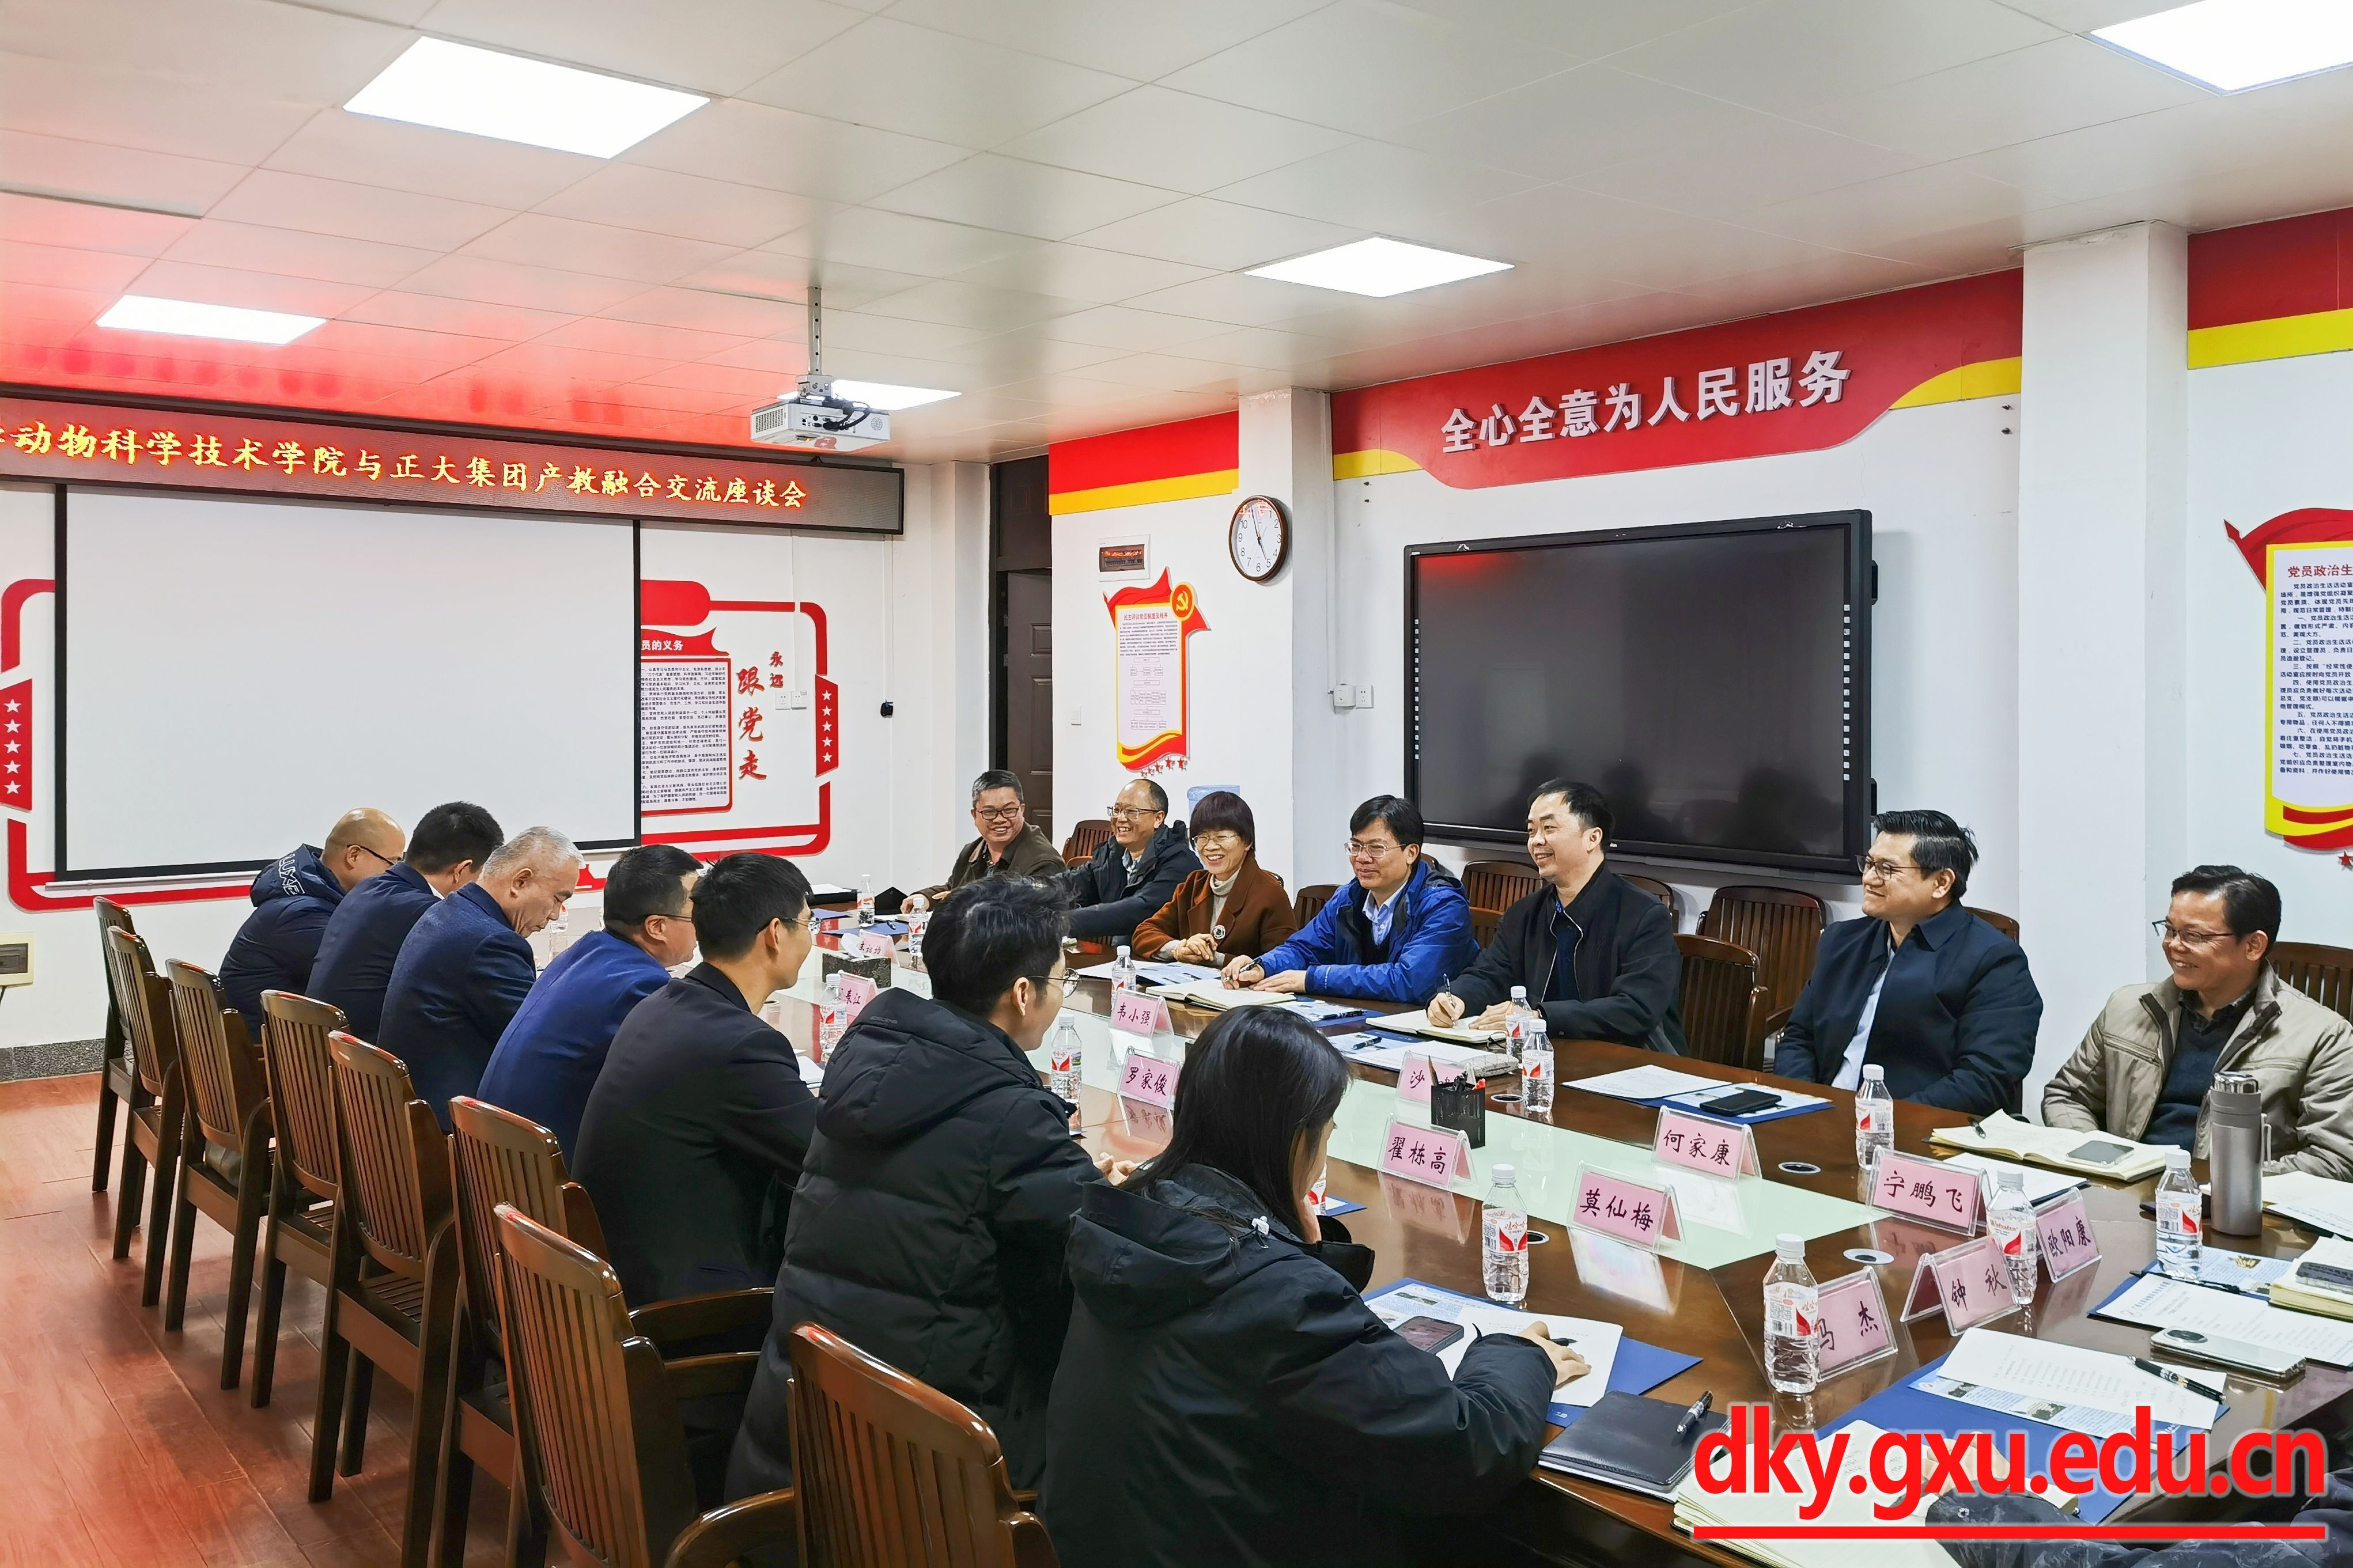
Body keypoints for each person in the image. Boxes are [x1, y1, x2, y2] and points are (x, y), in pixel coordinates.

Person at [1042, 1007, 1584, 1568]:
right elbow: (1464, 1450)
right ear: (1297, 1142)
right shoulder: (1279, 1298)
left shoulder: (1128, 1220)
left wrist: (1288, 1240)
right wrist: (1520, 1356)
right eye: (1325, 1135)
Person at [728, 877, 1115, 1499]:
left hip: (801, 1450)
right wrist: (1113, 1193)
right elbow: (1108, 1248)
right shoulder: (1010, 1116)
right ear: (1023, 994)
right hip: (920, 1486)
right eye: (1060, 980)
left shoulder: (869, 1060)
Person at [575, 852, 819, 1309]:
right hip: (685, 1308)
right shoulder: (741, 1045)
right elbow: (825, 1157)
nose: (811, 937)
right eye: (808, 923)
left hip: (621, 1274)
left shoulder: (662, 1004)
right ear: (775, 934)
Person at [2043, 866, 2353, 1179]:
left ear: (2253, 946)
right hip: (2125, 1189)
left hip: (2235, 1203)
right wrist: (2106, 1160)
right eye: (2170, 930)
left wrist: (2223, 1183)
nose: (2174, 946)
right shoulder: (2128, 1007)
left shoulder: (2324, 1036)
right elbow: (2068, 1097)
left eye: (2194, 936)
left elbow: (2334, 1159)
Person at [1772, 810, 2042, 1113]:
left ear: (1941, 883)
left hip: (1916, 1128)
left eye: (1887, 869)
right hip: (1819, 1116)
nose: (1868, 879)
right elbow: (1799, 1037)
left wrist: (1885, 1121)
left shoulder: (1994, 960)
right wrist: (1806, 1104)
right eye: (1869, 863)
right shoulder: (1842, 942)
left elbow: (1985, 1078)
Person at [476, 844, 702, 1155]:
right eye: (696, 913)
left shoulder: (586, 952)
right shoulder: (641, 985)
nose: (704, 924)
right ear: (657, 927)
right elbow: (683, 1089)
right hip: (549, 1169)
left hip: (502, 1156)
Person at [1428, 781, 1686, 1052]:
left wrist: (1540, 1017)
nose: (1536, 841)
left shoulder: (1645, 914)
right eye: (1531, 831)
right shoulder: (1525, 913)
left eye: (1549, 828)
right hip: (1545, 1055)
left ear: (1592, 838)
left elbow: (1636, 1008)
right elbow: (1489, 975)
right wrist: (1456, 998)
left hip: (1629, 1059)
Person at [377, 826, 583, 1125]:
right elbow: (539, 1043)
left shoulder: (449, 911)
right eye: (557, 898)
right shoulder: (491, 943)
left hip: (411, 1107)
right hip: (452, 1127)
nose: (555, 914)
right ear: (520, 881)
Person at [1223, 795, 1476, 1005]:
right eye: (1355, 846)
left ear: (1411, 853)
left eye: (1376, 848)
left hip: (1428, 1030)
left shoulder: (1443, 904)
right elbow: (1304, 949)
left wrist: (1313, 979)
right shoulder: (1349, 897)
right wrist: (1263, 966)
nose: (1362, 858)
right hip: (1365, 1020)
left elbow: (1409, 981)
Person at [309, 801, 503, 1041]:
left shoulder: (368, 887)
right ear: (462, 869)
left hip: (333, 1049)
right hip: (367, 1056)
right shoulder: (431, 914)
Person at [219, 807, 405, 1035]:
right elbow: (368, 978)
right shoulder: (301, 914)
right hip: (269, 1050)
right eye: (392, 862)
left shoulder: (309, 896)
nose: (395, 874)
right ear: (354, 855)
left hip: (281, 1041)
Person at [1132, 790, 1297, 964]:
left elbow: (1283, 962)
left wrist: (1217, 959)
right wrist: (1179, 948)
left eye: (1221, 837)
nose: (1210, 847)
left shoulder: (1270, 893)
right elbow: (1144, 933)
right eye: (1202, 838)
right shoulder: (1194, 885)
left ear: (1247, 841)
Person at [1060, 776, 1201, 946]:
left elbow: (1138, 909)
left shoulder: (1180, 862)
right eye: (1117, 810)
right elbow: (1072, 883)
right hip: (1120, 958)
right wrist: (1031, 891)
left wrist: (1062, 923)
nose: (1120, 818)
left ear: (1158, 818)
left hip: (1160, 958)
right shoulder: (1113, 854)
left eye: (1132, 812)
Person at [906, 770, 1063, 910]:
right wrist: (926, 899)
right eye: (989, 812)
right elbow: (954, 888)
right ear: (975, 815)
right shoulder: (972, 852)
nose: (1000, 819)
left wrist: (967, 899)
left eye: (1009, 810)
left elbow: (1027, 911)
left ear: (1021, 810)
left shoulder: (1044, 862)